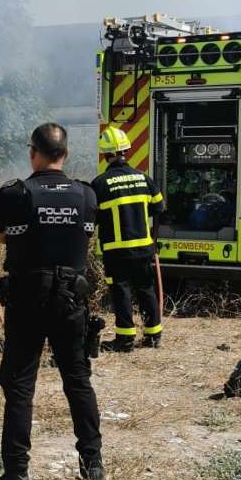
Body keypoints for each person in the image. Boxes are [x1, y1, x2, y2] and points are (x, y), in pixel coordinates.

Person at [0, 122, 104, 480]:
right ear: (65, 153)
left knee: (19, 386)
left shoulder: (16, 193)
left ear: (33, 151)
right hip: (71, 300)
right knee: (78, 382)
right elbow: (84, 236)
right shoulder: (86, 195)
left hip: (27, 301)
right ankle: (93, 467)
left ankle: (17, 477)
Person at [91, 126, 165, 352]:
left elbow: (93, 217)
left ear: (105, 155)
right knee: (146, 289)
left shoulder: (100, 184)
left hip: (116, 250)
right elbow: (159, 208)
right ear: (126, 151)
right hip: (143, 248)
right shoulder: (144, 179)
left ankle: (124, 340)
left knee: (121, 292)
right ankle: (153, 336)